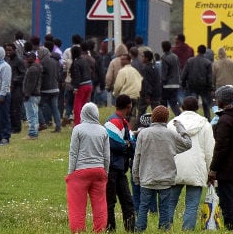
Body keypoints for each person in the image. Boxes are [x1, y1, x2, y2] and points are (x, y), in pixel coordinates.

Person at [132, 105, 192, 232]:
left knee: (143, 207)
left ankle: (139, 230)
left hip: (147, 177)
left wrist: (135, 175)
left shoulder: (143, 133)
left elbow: (137, 156)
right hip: (166, 178)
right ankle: (164, 230)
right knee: (164, 208)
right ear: (166, 118)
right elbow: (188, 144)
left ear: (152, 117)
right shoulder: (171, 134)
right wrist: (181, 128)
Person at [167, 96, 215, 231]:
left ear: (182, 107)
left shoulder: (172, 124)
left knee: (170, 202)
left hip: (175, 167)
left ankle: (165, 228)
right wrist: (211, 171)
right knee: (192, 204)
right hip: (196, 168)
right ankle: (187, 230)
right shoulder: (204, 125)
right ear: (197, 108)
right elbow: (209, 151)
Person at [207, 85, 233, 231]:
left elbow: (221, 148)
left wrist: (213, 169)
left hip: (226, 168)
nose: (216, 101)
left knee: (227, 202)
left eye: (217, 98)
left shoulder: (225, 120)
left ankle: (231, 228)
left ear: (222, 101)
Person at [66, 102, 110, 233]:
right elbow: (106, 155)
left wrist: (70, 173)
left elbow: (73, 153)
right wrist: (105, 172)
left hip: (80, 171)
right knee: (100, 205)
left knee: (77, 206)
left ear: (82, 113)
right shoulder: (103, 130)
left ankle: (78, 231)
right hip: (99, 171)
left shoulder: (78, 129)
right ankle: (99, 230)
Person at [104, 94, 136, 232]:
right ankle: (111, 229)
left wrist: (128, 144)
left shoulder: (123, 122)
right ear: (129, 106)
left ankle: (129, 229)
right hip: (111, 168)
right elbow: (117, 145)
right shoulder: (112, 122)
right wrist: (128, 145)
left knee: (127, 202)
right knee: (111, 203)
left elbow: (132, 145)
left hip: (119, 169)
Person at [181, 44, 213, 120]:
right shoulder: (208, 63)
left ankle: (192, 119)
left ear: (197, 51)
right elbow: (209, 77)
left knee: (192, 105)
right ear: (205, 52)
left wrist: (183, 84)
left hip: (192, 86)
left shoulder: (190, 61)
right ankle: (207, 119)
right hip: (204, 87)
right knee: (206, 105)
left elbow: (184, 74)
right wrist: (211, 88)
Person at [113, 54, 142, 130]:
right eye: (121, 59)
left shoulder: (122, 71)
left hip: (125, 96)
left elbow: (118, 85)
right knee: (133, 115)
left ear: (129, 60)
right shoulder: (135, 71)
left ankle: (125, 130)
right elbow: (140, 81)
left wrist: (115, 94)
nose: (121, 61)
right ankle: (131, 131)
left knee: (124, 115)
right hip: (135, 95)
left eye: (123, 59)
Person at [40, 41, 62, 133]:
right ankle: (58, 126)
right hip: (55, 88)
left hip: (46, 89)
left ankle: (42, 123)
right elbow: (58, 74)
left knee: (38, 106)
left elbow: (41, 75)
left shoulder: (43, 62)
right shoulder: (56, 61)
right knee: (55, 108)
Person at [5, 43, 26, 134]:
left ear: (14, 50)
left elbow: (23, 74)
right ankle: (11, 126)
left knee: (16, 108)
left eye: (10, 50)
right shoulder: (8, 60)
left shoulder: (19, 61)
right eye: (7, 50)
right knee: (10, 108)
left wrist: (14, 81)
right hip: (9, 87)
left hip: (17, 88)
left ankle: (17, 127)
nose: (8, 52)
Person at [137, 50, 161, 126]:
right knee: (157, 113)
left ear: (147, 58)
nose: (142, 58)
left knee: (141, 113)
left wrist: (147, 95)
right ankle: (159, 126)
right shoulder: (155, 68)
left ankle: (138, 128)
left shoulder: (146, 69)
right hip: (156, 94)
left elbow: (147, 82)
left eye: (143, 57)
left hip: (146, 95)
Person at [70, 46, 93, 126]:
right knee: (84, 105)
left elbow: (77, 76)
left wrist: (76, 87)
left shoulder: (76, 62)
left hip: (82, 86)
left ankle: (77, 124)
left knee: (77, 106)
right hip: (89, 84)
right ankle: (86, 122)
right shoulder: (84, 60)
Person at [22, 52, 42, 140]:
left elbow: (31, 83)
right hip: (35, 94)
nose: (26, 59)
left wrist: (27, 94)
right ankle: (34, 132)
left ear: (33, 58)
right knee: (34, 114)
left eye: (28, 57)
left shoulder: (32, 69)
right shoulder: (35, 67)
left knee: (31, 115)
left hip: (32, 95)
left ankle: (32, 134)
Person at [161, 40, 181, 117]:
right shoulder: (175, 56)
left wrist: (162, 82)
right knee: (174, 103)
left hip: (167, 85)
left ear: (163, 48)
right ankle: (179, 116)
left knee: (163, 104)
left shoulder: (164, 57)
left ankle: (163, 118)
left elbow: (165, 72)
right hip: (176, 83)